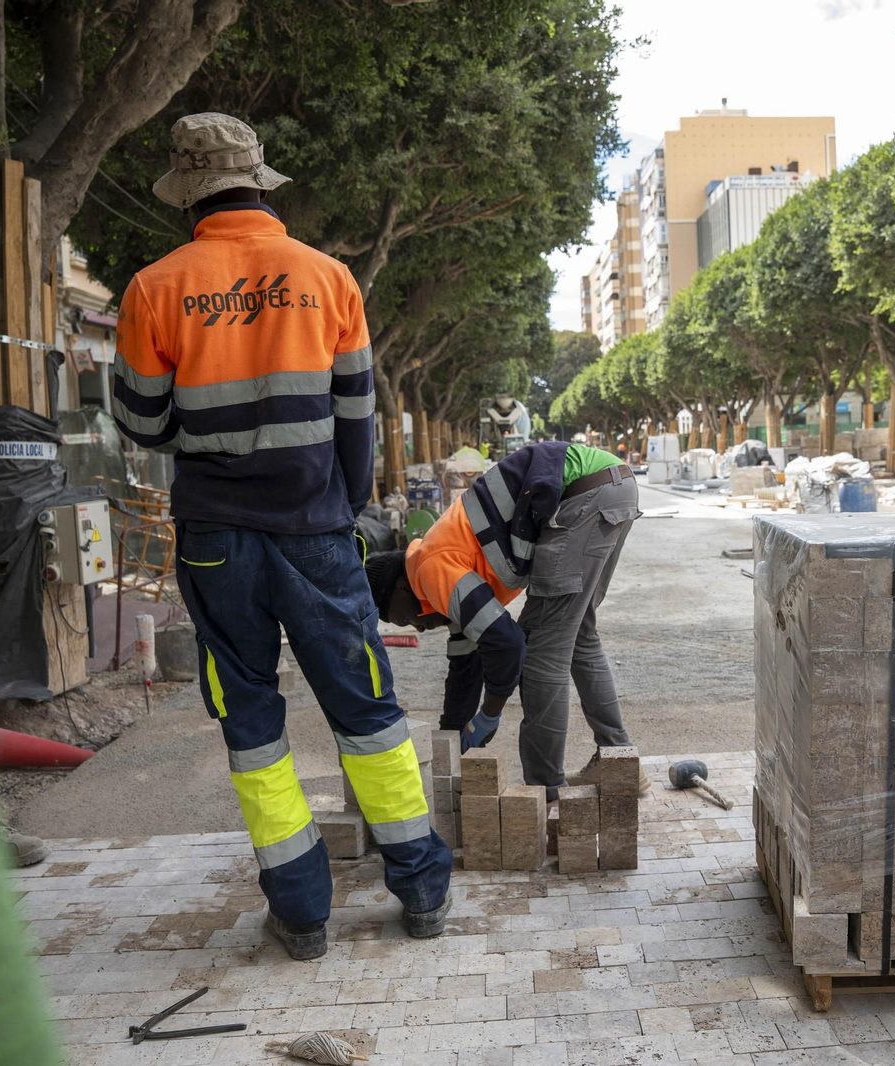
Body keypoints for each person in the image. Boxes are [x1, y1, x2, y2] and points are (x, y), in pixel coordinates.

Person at [112, 113, 451, 960]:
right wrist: (335, 509)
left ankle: (301, 912)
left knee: (250, 718)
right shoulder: (329, 277)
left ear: (188, 195)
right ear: (260, 182)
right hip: (316, 527)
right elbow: (356, 418)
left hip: (214, 538)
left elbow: (143, 425)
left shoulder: (155, 287)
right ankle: (421, 890)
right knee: (365, 704)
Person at [365, 441, 650, 796]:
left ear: (400, 589)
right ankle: (619, 761)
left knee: (541, 648)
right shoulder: (445, 573)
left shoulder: (429, 569)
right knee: (579, 636)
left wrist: (490, 713)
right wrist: (454, 741)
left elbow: (507, 643)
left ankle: (546, 791)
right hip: (613, 485)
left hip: (582, 494)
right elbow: (464, 669)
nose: (419, 627)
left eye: (404, 620)